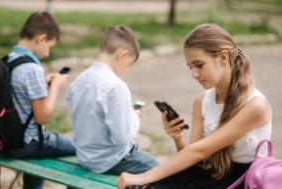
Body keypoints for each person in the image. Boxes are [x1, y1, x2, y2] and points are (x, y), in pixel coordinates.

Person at [117, 23, 272, 189]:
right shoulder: (201, 101)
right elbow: (195, 156)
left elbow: (200, 151)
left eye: (199, 65)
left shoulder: (255, 106)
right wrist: (177, 137)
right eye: (190, 67)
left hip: (243, 181)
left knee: (145, 183)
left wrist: (141, 177)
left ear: (224, 58)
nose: (194, 74)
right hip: (210, 175)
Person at [66, 25, 158, 175]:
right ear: (122, 55)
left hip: (85, 158)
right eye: (128, 64)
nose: (126, 69)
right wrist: (135, 117)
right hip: (111, 161)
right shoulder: (116, 86)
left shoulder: (79, 80)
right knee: (162, 172)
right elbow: (121, 139)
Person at [6, 12, 76, 189]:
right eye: (50, 46)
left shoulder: (8, 60)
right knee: (82, 149)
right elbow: (43, 117)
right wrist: (55, 87)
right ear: (42, 39)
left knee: (41, 151)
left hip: (6, 139)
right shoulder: (32, 68)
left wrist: (43, 83)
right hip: (28, 143)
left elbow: (18, 94)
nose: (48, 52)